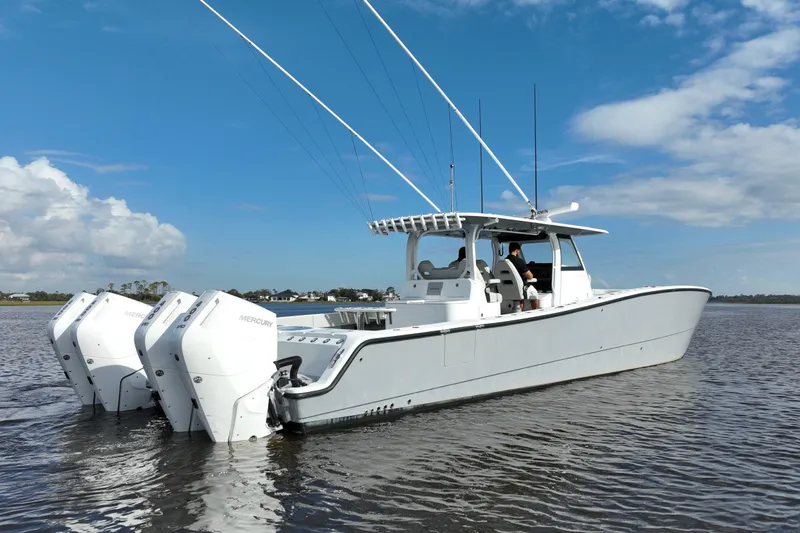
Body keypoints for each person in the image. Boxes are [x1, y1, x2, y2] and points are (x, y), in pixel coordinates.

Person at [506, 242, 539, 309]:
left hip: (506, 288)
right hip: (519, 287)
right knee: (534, 294)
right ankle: (535, 312)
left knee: (520, 293)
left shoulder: (504, 261)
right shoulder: (519, 261)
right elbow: (530, 276)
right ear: (517, 251)